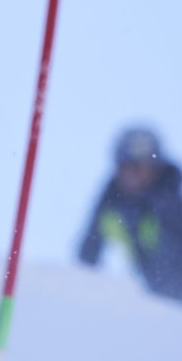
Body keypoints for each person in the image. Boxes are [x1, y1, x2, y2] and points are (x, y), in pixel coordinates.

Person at [78, 126, 182, 301]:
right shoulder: (111, 204)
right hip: (156, 302)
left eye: (144, 167)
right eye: (129, 166)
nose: (136, 175)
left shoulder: (176, 197)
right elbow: (87, 256)